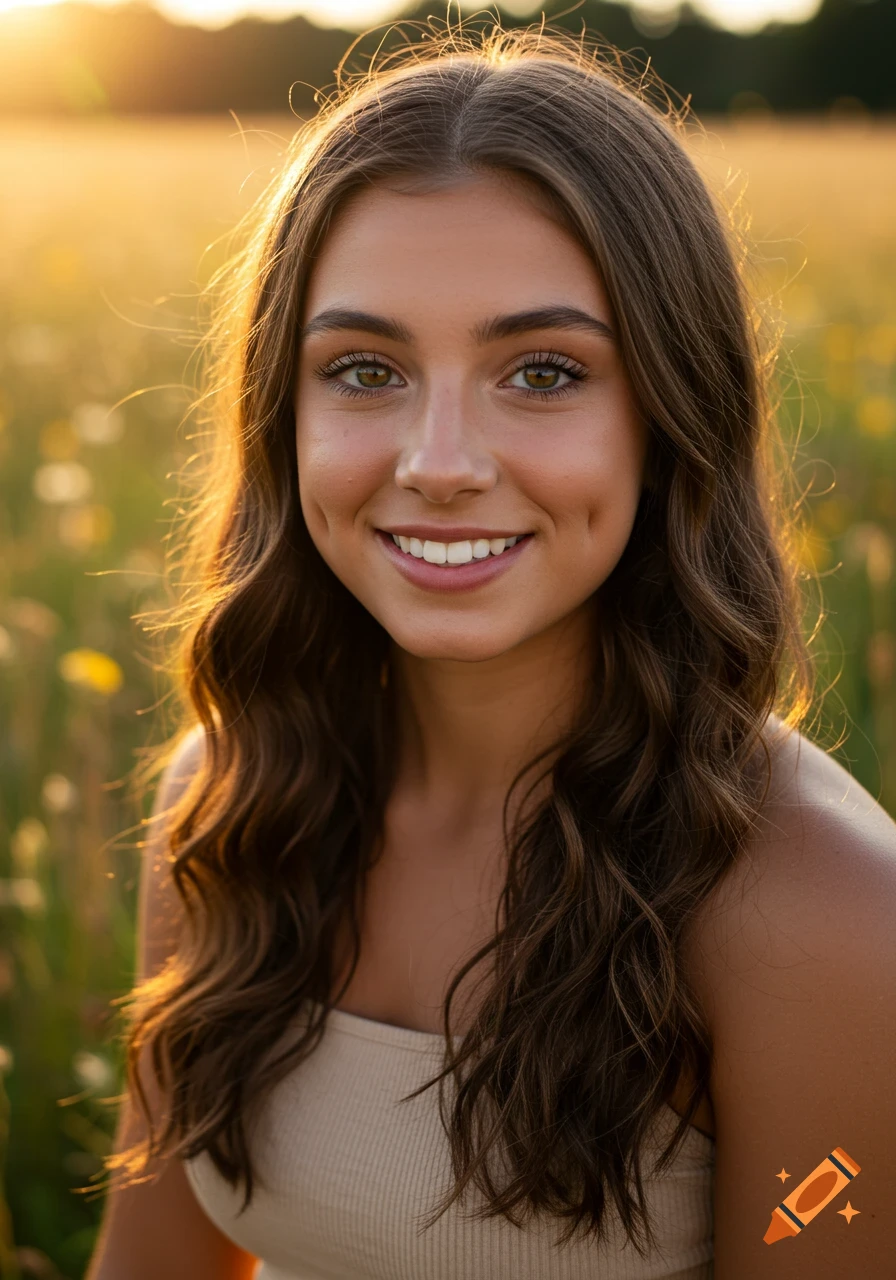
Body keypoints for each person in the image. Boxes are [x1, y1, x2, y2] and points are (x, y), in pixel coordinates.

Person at [85, 20, 896, 1280]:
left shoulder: (823, 913)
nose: (440, 463)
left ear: (671, 411)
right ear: (279, 412)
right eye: (362, 369)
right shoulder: (229, 797)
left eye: (540, 370)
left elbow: (827, 1222)